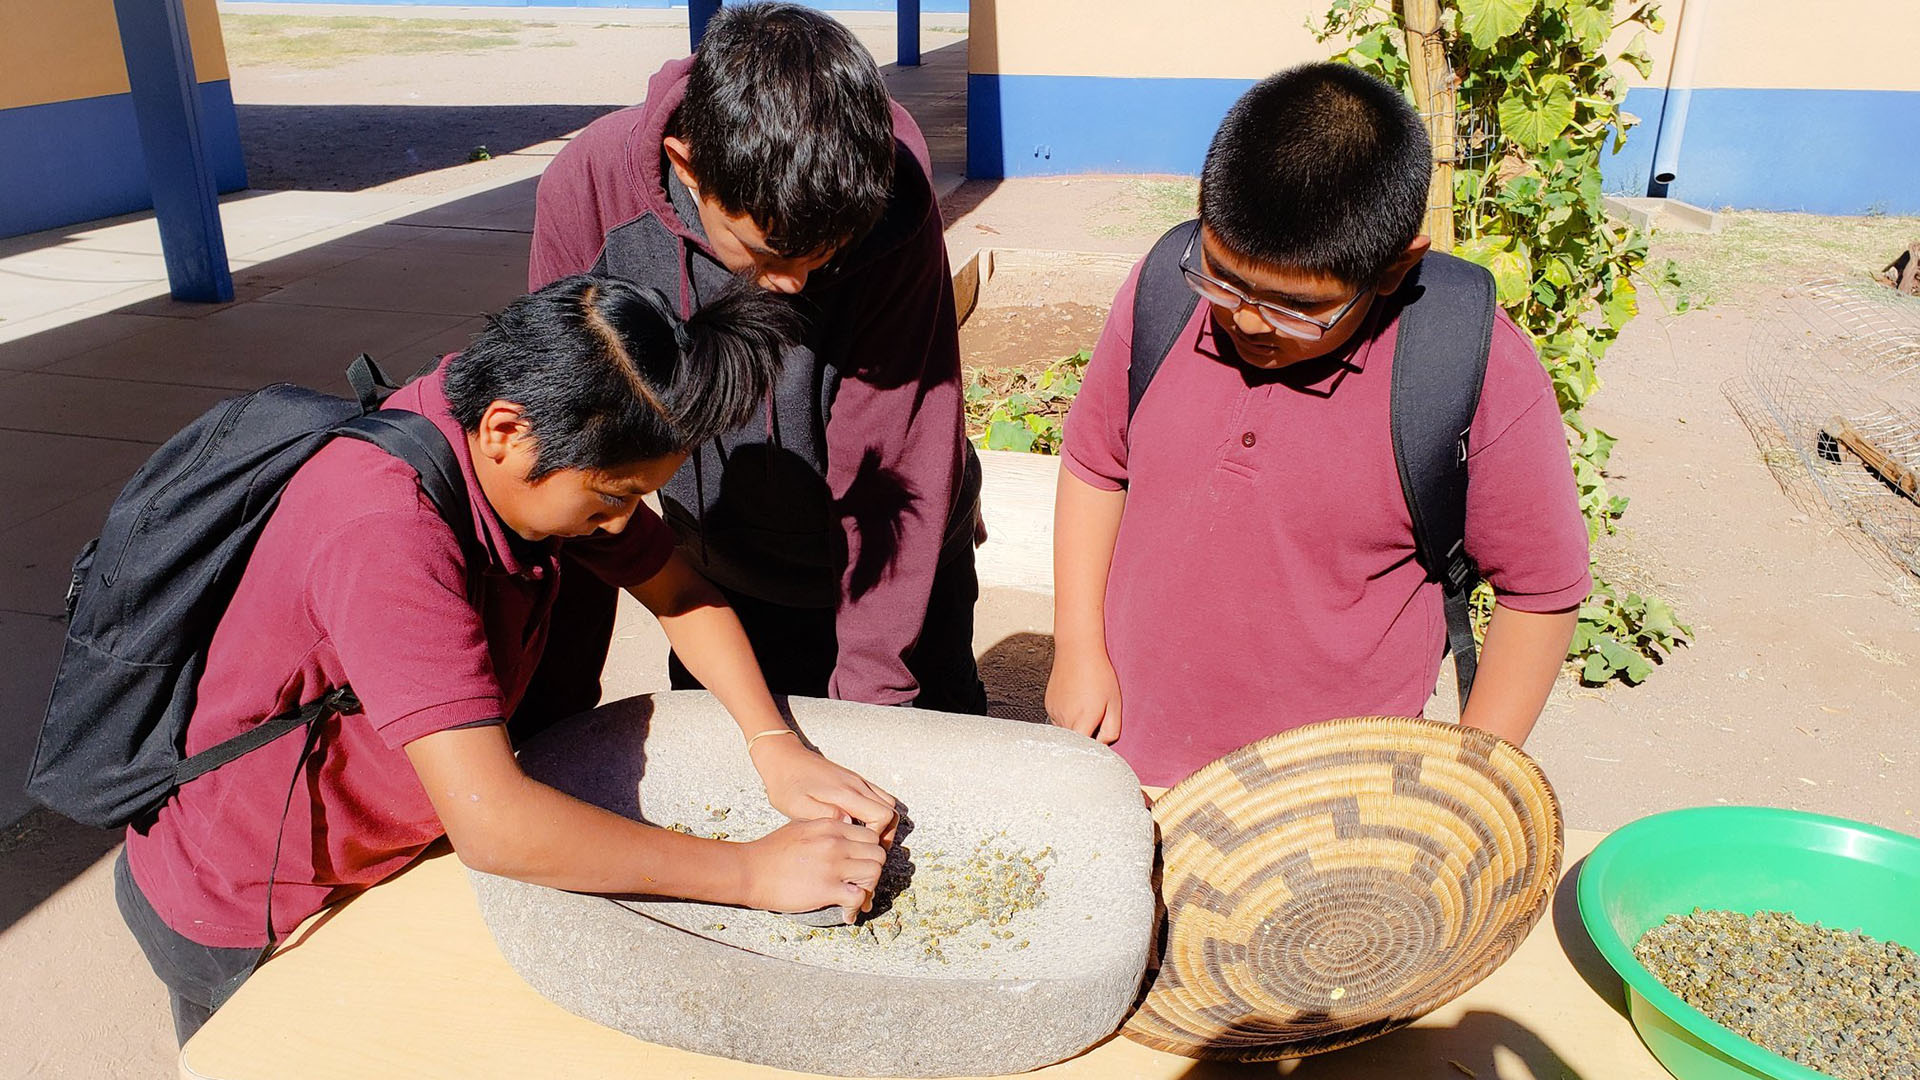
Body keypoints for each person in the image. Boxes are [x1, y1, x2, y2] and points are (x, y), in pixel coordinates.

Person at [116, 276, 897, 1044]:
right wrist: (754, 874)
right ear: (502, 431)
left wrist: (775, 745)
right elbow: (495, 824)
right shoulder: (385, 532)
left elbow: (678, 591)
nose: (621, 524)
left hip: (386, 848)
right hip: (249, 897)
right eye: (609, 499)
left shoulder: (537, 424)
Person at [1045, 63, 1592, 788]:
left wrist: (1463, 780)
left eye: (1295, 307)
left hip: (1332, 801)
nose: (1244, 320)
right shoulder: (1161, 297)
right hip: (1125, 757)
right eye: (1222, 277)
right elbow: (1095, 465)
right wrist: (1078, 647)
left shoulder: (1470, 364)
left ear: (1394, 270)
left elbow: (1541, 591)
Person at [523, 1, 986, 725]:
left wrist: (878, 709)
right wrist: (557, 704)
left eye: (822, 258)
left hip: (899, 572)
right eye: (769, 256)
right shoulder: (588, 189)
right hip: (716, 579)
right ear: (689, 165)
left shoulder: (893, 202)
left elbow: (898, 453)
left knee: (922, 765)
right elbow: (576, 465)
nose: (794, 287)